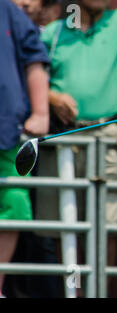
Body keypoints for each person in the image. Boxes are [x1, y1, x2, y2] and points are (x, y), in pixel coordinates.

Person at [37, 0, 117, 297]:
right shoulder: (53, 32)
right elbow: (32, 79)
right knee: (63, 227)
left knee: (108, 226)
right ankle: (76, 294)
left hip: (107, 131)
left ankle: (99, 294)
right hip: (62, 138)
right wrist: (54, 98)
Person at [0, 0, 49, 297]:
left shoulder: (9, 11)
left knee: (13, 205)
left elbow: (35, 59)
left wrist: (41, 112)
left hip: (7, 130)